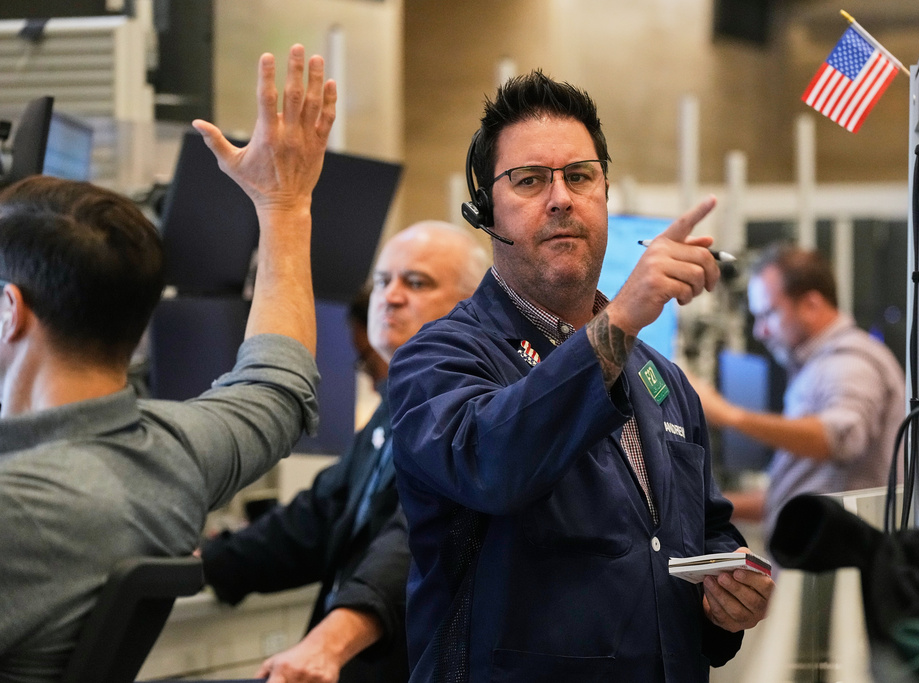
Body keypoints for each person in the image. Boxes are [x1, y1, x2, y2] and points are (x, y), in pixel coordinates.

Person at [387, 70, 774, 683]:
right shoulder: (437, 361)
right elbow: (495, 462)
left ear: (605, 194)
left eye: (579, 175)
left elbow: (702, 529)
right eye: (530, 180)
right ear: (485, 211)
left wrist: (726, 596)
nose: (561, 198)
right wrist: (621, 319)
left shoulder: (663, 381)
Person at [0, 45, 334, 682]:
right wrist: (284, 206)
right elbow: (279, 387)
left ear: (10, 312)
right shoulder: (175, 457)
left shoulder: (19, 511)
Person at [201, 221, 490, 683]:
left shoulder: (472, 409)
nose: (390, 296)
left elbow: (417, 541)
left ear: (472, 307)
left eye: (415, 283)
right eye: (382, 281)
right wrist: (202, 563)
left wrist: (330, 641)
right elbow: (319, 517)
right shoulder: (397, 403)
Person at [691, 245, 905, 541]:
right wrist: (707, 506)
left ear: (811, 306)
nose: (760, 332)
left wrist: (729, 416)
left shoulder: (849, 363)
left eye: (768, 314)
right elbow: (798, 493)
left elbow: (838, 438)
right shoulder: (815, 368)